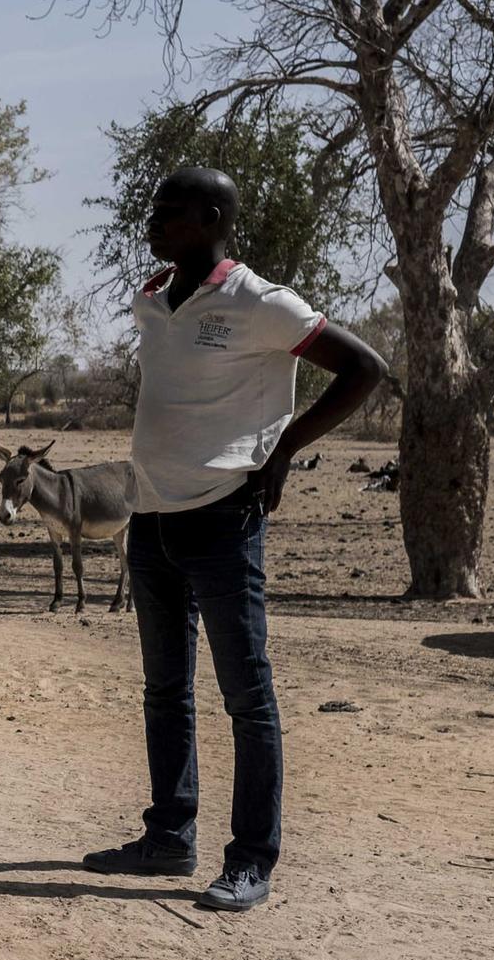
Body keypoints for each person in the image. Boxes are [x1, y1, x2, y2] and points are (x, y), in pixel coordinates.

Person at [83, 167, 385, 912]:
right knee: (164, 690)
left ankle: (251, 860)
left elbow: (364, 368)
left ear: (213, 216)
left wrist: (282, 451)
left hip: (223, 518)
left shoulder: (259, 302)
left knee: (247, 698)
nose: (153, 222)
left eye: (170, 211)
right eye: (154, 210)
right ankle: (168, 838)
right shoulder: (152, 299)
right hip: (151, 518)